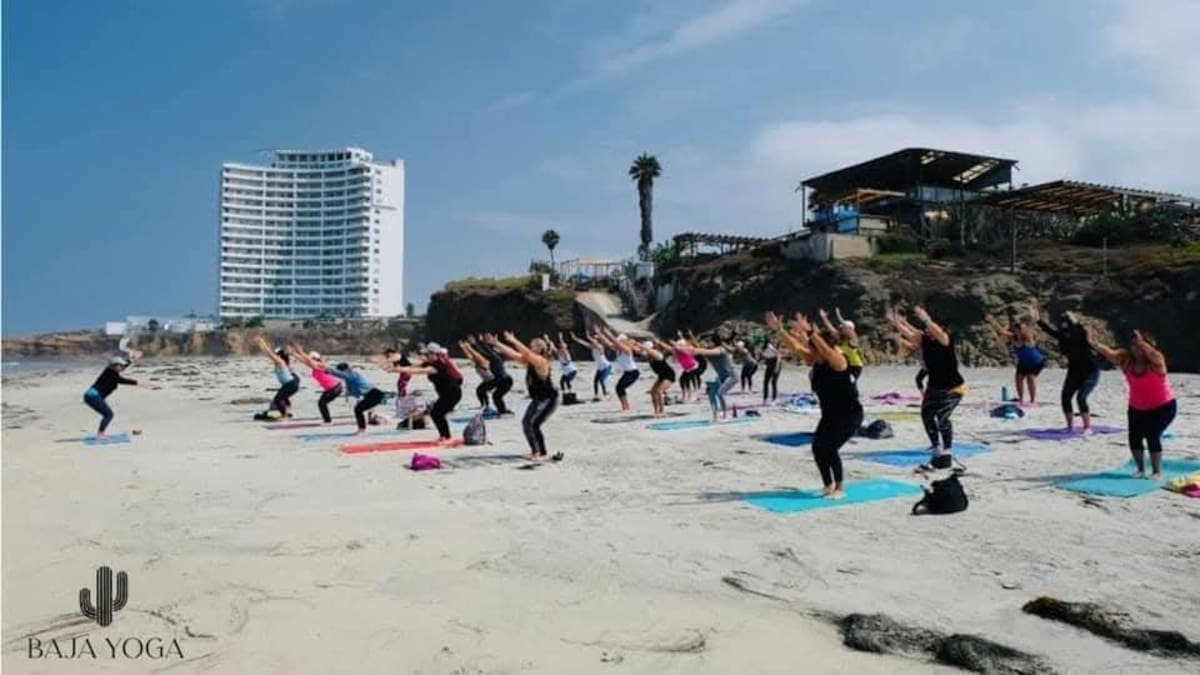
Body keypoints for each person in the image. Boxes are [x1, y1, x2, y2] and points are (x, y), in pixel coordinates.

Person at [766, 312, 861, 499]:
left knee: (830, 448)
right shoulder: (816, 360)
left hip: (849, 415)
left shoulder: (839, 361)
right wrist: (779, 330)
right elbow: (795, 347)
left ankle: (840, 488)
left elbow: (825, 350)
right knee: (818, 448)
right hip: (830, 415)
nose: (810, 352)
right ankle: (828, 485)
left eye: (813, 348)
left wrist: (810, 332)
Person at [887, 305, 966, 470]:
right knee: (927, 415)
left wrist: (926, 319)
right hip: (934, 386)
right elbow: (910, 335)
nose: (928, 331)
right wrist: (896, 323)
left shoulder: (945, 340)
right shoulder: (924, 339)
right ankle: (936, 446)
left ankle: (947, 450)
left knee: (942, 417)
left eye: (931, 328)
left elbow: (938, 333)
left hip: (953, 388)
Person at [1092, 330, 1177, 480]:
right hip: (1137, 407)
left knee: (1152, 434)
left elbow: (1153, 354)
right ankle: (1140, 469)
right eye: (1133, 345)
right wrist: (1092, 341)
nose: (1136, 348)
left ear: (1147, 345)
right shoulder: (1127, 361)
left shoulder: (1156, 360)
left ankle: (1156, 471)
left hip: (1163, 406)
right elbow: (1109, 353)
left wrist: (1140, 341)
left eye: (1139, 345)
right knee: (1134, 437)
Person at [1033, 300, 1100, 434]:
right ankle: (1070, 427)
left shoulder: (1080, 334)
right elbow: (1049, 330)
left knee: (1081, 397)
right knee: (1065, 397)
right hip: (1074, 371)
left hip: (1090, 371)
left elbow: (1082, 329)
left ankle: (1087, 427)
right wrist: (1037, 319)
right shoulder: (1062, 336)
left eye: (1067, 328)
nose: (1065, 332)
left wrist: (1075, 321)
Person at [493, 332, 561, 460]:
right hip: (539, 398)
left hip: (549, 399)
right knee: (529, 423)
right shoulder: (530, 361)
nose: (530, 347)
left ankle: (541, 453)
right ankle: (537, 451)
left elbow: (527, 354)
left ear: (540, 349)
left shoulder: (541, 361)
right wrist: (497, 343)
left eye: (533, 346)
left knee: (532, 424)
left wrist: (514, 340)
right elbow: (513, 354)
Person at [392, 343, 464, 444]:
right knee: (436, 414)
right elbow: (414, 366)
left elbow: (420, 371)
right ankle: (444, 436)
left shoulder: (439, 365)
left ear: (434, 354)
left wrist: (399, 369)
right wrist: (399, 369)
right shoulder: (431, 363)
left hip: (452, 394)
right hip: (446, 394)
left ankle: (447, 437)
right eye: (425, 354)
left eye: (428, 354)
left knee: (437, 414)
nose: (426, 356)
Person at [985, 310, 1045, 405]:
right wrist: (992, 321)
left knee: (1030, 378)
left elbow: (1028, 330)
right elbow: (1001, 331)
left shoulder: (1028, 337)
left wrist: (1026, 320)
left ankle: (1032, 400)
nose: (1020, 331)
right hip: (1023, 362)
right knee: (1018, 378)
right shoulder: (1013, 337)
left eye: (1021, 329)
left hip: (1036, 362)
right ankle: (1021, 399)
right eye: (1018, 329)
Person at [83, 354, 147, 439]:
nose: (121, 367)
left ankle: (100, 433)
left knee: (108, 414)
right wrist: (138, 382)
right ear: (114, 366)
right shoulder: (112, 375)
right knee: (109, 415)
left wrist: (132, 360)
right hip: (93, 396)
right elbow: (123, 380)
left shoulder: (110, 371)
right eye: (119, 365)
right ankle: (100, 434)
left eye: (121, 365)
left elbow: (123, 367)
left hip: (91, 395)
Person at [323, 362, 385, 435]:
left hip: (374, 394)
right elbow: (354, 390)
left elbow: (339, 374)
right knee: (359, 409)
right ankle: (364, 427)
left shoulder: (352, 374)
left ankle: (362, 430)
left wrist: (327, 368)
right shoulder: (350, 377)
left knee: (358, 409)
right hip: (372, 395)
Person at [688, 335, 738, 422]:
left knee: (720, 393)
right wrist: (691, 338)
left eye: (709, 341)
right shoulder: (708, 350)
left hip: (732, 376)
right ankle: (715, 415)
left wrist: (695, 350)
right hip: (721, 377)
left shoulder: (721, 349)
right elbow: (699, 347)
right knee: (711, 394)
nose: (706, 343)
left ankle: (725, 415)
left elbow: (706, 351)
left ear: (714, 342)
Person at [290, 346, 344, 424]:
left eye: (312, 358)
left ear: (315, 358)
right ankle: (327, 420)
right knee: (322, 403)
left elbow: (308, 360)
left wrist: (301, 352)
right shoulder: (315, 366)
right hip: (333, 388)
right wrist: (294, 353)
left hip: (334, 388)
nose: (310, 360)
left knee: (322, 403)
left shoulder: (320, 365)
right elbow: (304, 361)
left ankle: (328, 421)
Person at [596, 328, 640, 412]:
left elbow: (615, 342)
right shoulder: (618, 350)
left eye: (620, 341)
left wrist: (607, 332)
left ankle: (625, 406)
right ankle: (625, 406)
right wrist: (600, 334)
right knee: (619, 388)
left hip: (633, 373)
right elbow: (608, 343)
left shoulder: (627, 350)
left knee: (620, 387)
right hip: (627, 373)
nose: (618, 342)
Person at [255, 336, 300, 419]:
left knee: (277, 400)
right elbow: (269, 354)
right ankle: (286, 411)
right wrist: (261, 344)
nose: (274, 356)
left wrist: (262, 343)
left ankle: (284, 415)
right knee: (280, 398)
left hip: (290, 384)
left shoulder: (280, 362)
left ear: (279, 355)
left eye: (276, 354)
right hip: (289, 384)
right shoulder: (283, 362)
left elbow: (269, 353)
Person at [819, 308, 865, 385]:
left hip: (855, 366)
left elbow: (852, 333)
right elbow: (831, 329)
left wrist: (841, 319)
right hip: (845, 365)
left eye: (843, 328)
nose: (841, 329)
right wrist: (824, 318)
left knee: (850, 382)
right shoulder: (841, 339)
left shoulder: (853, 341)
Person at [472, 334, 515, 415]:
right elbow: (483, 353)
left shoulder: (495, 358)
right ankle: (500, 410)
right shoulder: (494, 358)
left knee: (496, 396)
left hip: (505, 380)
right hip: (500, 380)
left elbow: (487, 351)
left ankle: (503, 411)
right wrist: (475, 344)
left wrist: (480, 342)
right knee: (493, 395)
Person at [635, 338, 675, 417]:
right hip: (661, 375)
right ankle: (656, 411)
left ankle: (662, 411)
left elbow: (649, 351)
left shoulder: (658, 354)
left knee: (659, 391)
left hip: (669, 375)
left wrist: (641, 346)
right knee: (653, 392)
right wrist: (633, 344)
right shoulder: (649, 355)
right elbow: (638, 351)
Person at [571, 331, 612, 402]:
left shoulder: (600, 347)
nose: (593, 340)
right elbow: (583, 343)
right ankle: (596, 396)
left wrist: (589, 337)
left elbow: (596, 344)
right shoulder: (592, 347)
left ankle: (606, 394)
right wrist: (575, 338)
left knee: (601, 380)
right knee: (595, 381)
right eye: (593, 338)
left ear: (598, 341)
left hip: (606, 367)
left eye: (595, 339)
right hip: (600, 368)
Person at [459, 338, 496, 412]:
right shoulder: (476, 361)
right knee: (479, 391)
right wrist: (463, 348)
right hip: (487, 381)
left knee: (482, 390)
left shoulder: (483, 361)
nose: (473, 358)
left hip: (493, 380)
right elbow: (469, 355)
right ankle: (484, 405)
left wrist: (468, 347)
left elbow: (475, 355)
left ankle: (486, 406)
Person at [760, 338, 782, 403]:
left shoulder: (770, 347)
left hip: (776, 363)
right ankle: (765, 399)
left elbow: (778, 356)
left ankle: (774, 399)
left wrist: (777, 367)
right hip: (769, 363)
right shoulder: (763, 348)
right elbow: (765, 357)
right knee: (766, 381)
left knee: (773, 382)